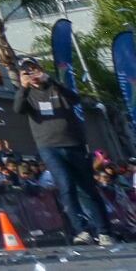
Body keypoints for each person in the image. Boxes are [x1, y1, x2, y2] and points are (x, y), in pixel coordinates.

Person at [13, 57, 114, 246]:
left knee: (86, 189)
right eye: (26, 72)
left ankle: (104, 231)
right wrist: (24, 87)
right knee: (65, 185)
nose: (31, 74)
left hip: (73, 143)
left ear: (40, 69)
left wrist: (49, 80)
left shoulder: (55, 87)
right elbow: (18, 109)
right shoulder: (25, 94)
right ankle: (82, 230)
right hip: (48, 146)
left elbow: (74, 99)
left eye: (33, 69)